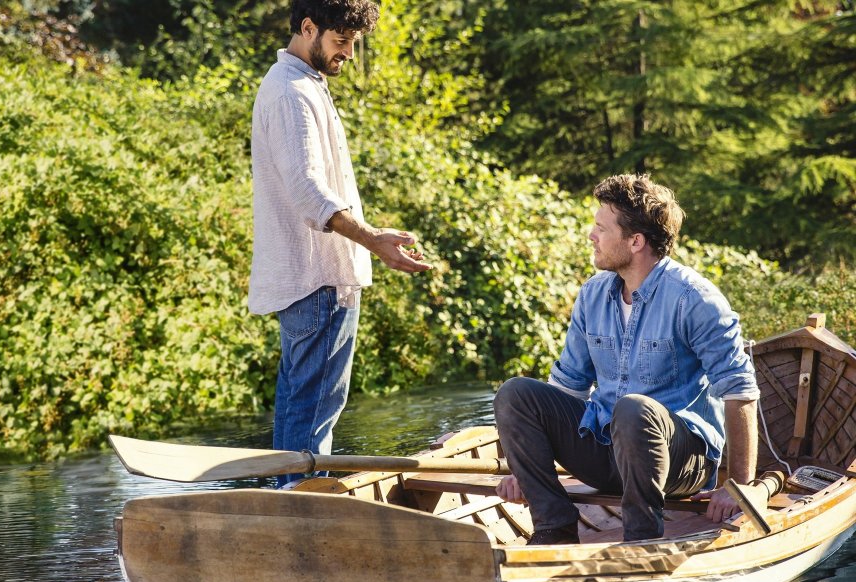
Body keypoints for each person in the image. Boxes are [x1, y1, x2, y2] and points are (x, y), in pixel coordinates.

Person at [493, 174, 767, 544]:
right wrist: (528, 465)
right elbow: (567, 387)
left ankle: (641, 541)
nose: (591, 235)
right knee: (517, 394)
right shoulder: (592, 295)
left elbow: (741, 392)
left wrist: (739, 485)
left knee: (634, 409)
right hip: (607, 454)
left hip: (679, 463)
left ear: (635, 241)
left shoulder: (695, 299)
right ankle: (553, 528)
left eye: (601, 228)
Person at [249, 0, 430, 488]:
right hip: (319, 280)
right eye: (341, 40)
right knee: (313, 418)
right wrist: (374, 241)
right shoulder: (290, 92)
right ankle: (304, 518)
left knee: (299, 416)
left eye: (353, 42)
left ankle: (289, 510)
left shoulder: (301, 85)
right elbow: (310, 194)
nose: (348, 52)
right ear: (308, 28)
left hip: (315, 281)